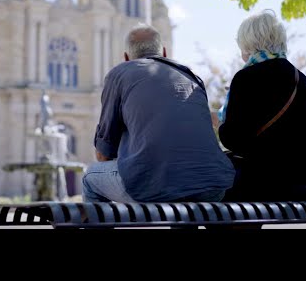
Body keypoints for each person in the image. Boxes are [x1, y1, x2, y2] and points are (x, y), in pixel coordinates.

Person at [82, 23, 236, 203]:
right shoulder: (191, 76)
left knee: (90, 177)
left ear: (126, 57)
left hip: (153, 187)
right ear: (164, 53)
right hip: (214, 185)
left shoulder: (119, 74)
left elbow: (103, 154)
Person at [216, 10, 306, 202]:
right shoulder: (301, 79)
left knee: (214, 181)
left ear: (248, 44)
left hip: (278, 182)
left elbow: (234, 140)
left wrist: (220, 123)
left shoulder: (245, 78)